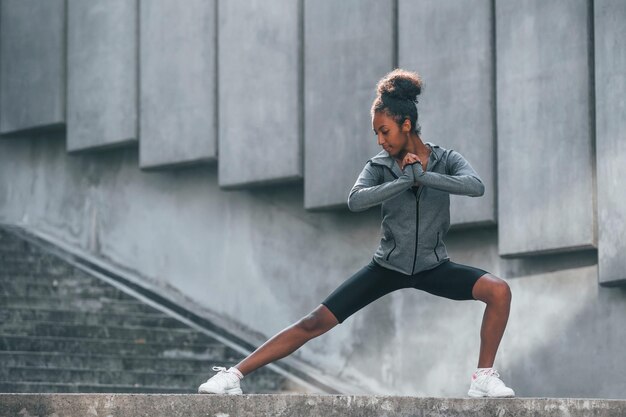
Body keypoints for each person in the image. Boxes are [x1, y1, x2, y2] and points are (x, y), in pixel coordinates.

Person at [198, 68, 514, 398]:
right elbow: (355, 200)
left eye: (385, 131)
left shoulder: (445, 159)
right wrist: (404, 181)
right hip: (386, 268)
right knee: (313, 322)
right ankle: (233, 375)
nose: (380, 139)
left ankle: (483, 377)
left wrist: (424, 177)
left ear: (406, 124)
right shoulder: (379, 165)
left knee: (498, 291)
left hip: (434, 267)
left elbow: (475, 186)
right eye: (376, 132)